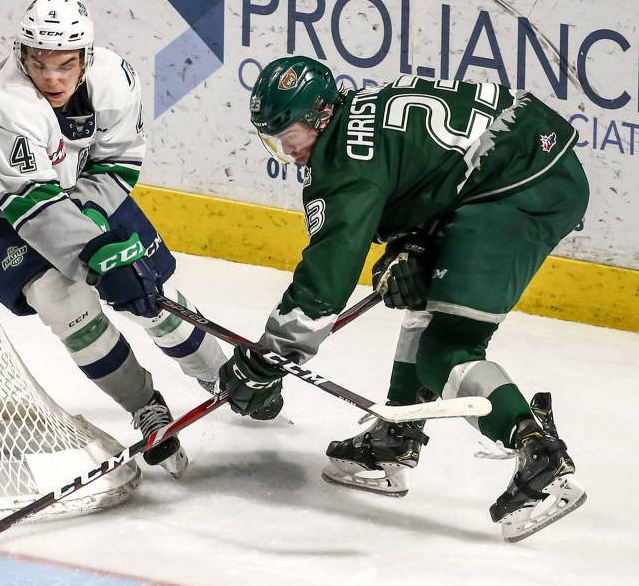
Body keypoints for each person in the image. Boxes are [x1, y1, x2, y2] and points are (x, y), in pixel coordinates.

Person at [219, 56, 588, 541]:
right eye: (275, 142)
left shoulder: (342, 168)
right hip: (515, 162)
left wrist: (269, 357)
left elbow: (325, 283)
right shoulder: (362, 112)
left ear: (321, 117)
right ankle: (395, 440)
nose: (289, 153)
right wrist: (412, 245)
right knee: (420, 295)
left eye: (290, 137)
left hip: (518, 188)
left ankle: (540, 453)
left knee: (447, 350)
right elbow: (439, 165)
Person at [0, 0, 227, 478]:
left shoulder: (116, 80)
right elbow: (30, 205)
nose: (52, 78)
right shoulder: (3, 104)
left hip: (74, 190)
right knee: (65, 301)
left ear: (86, 58)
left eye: (65, 65)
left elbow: (118, 162)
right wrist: (98, 254)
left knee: (150, 292)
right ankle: (144, 405)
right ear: (21, 54)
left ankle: (223, 375)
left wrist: (103, 241)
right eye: (40, 64)